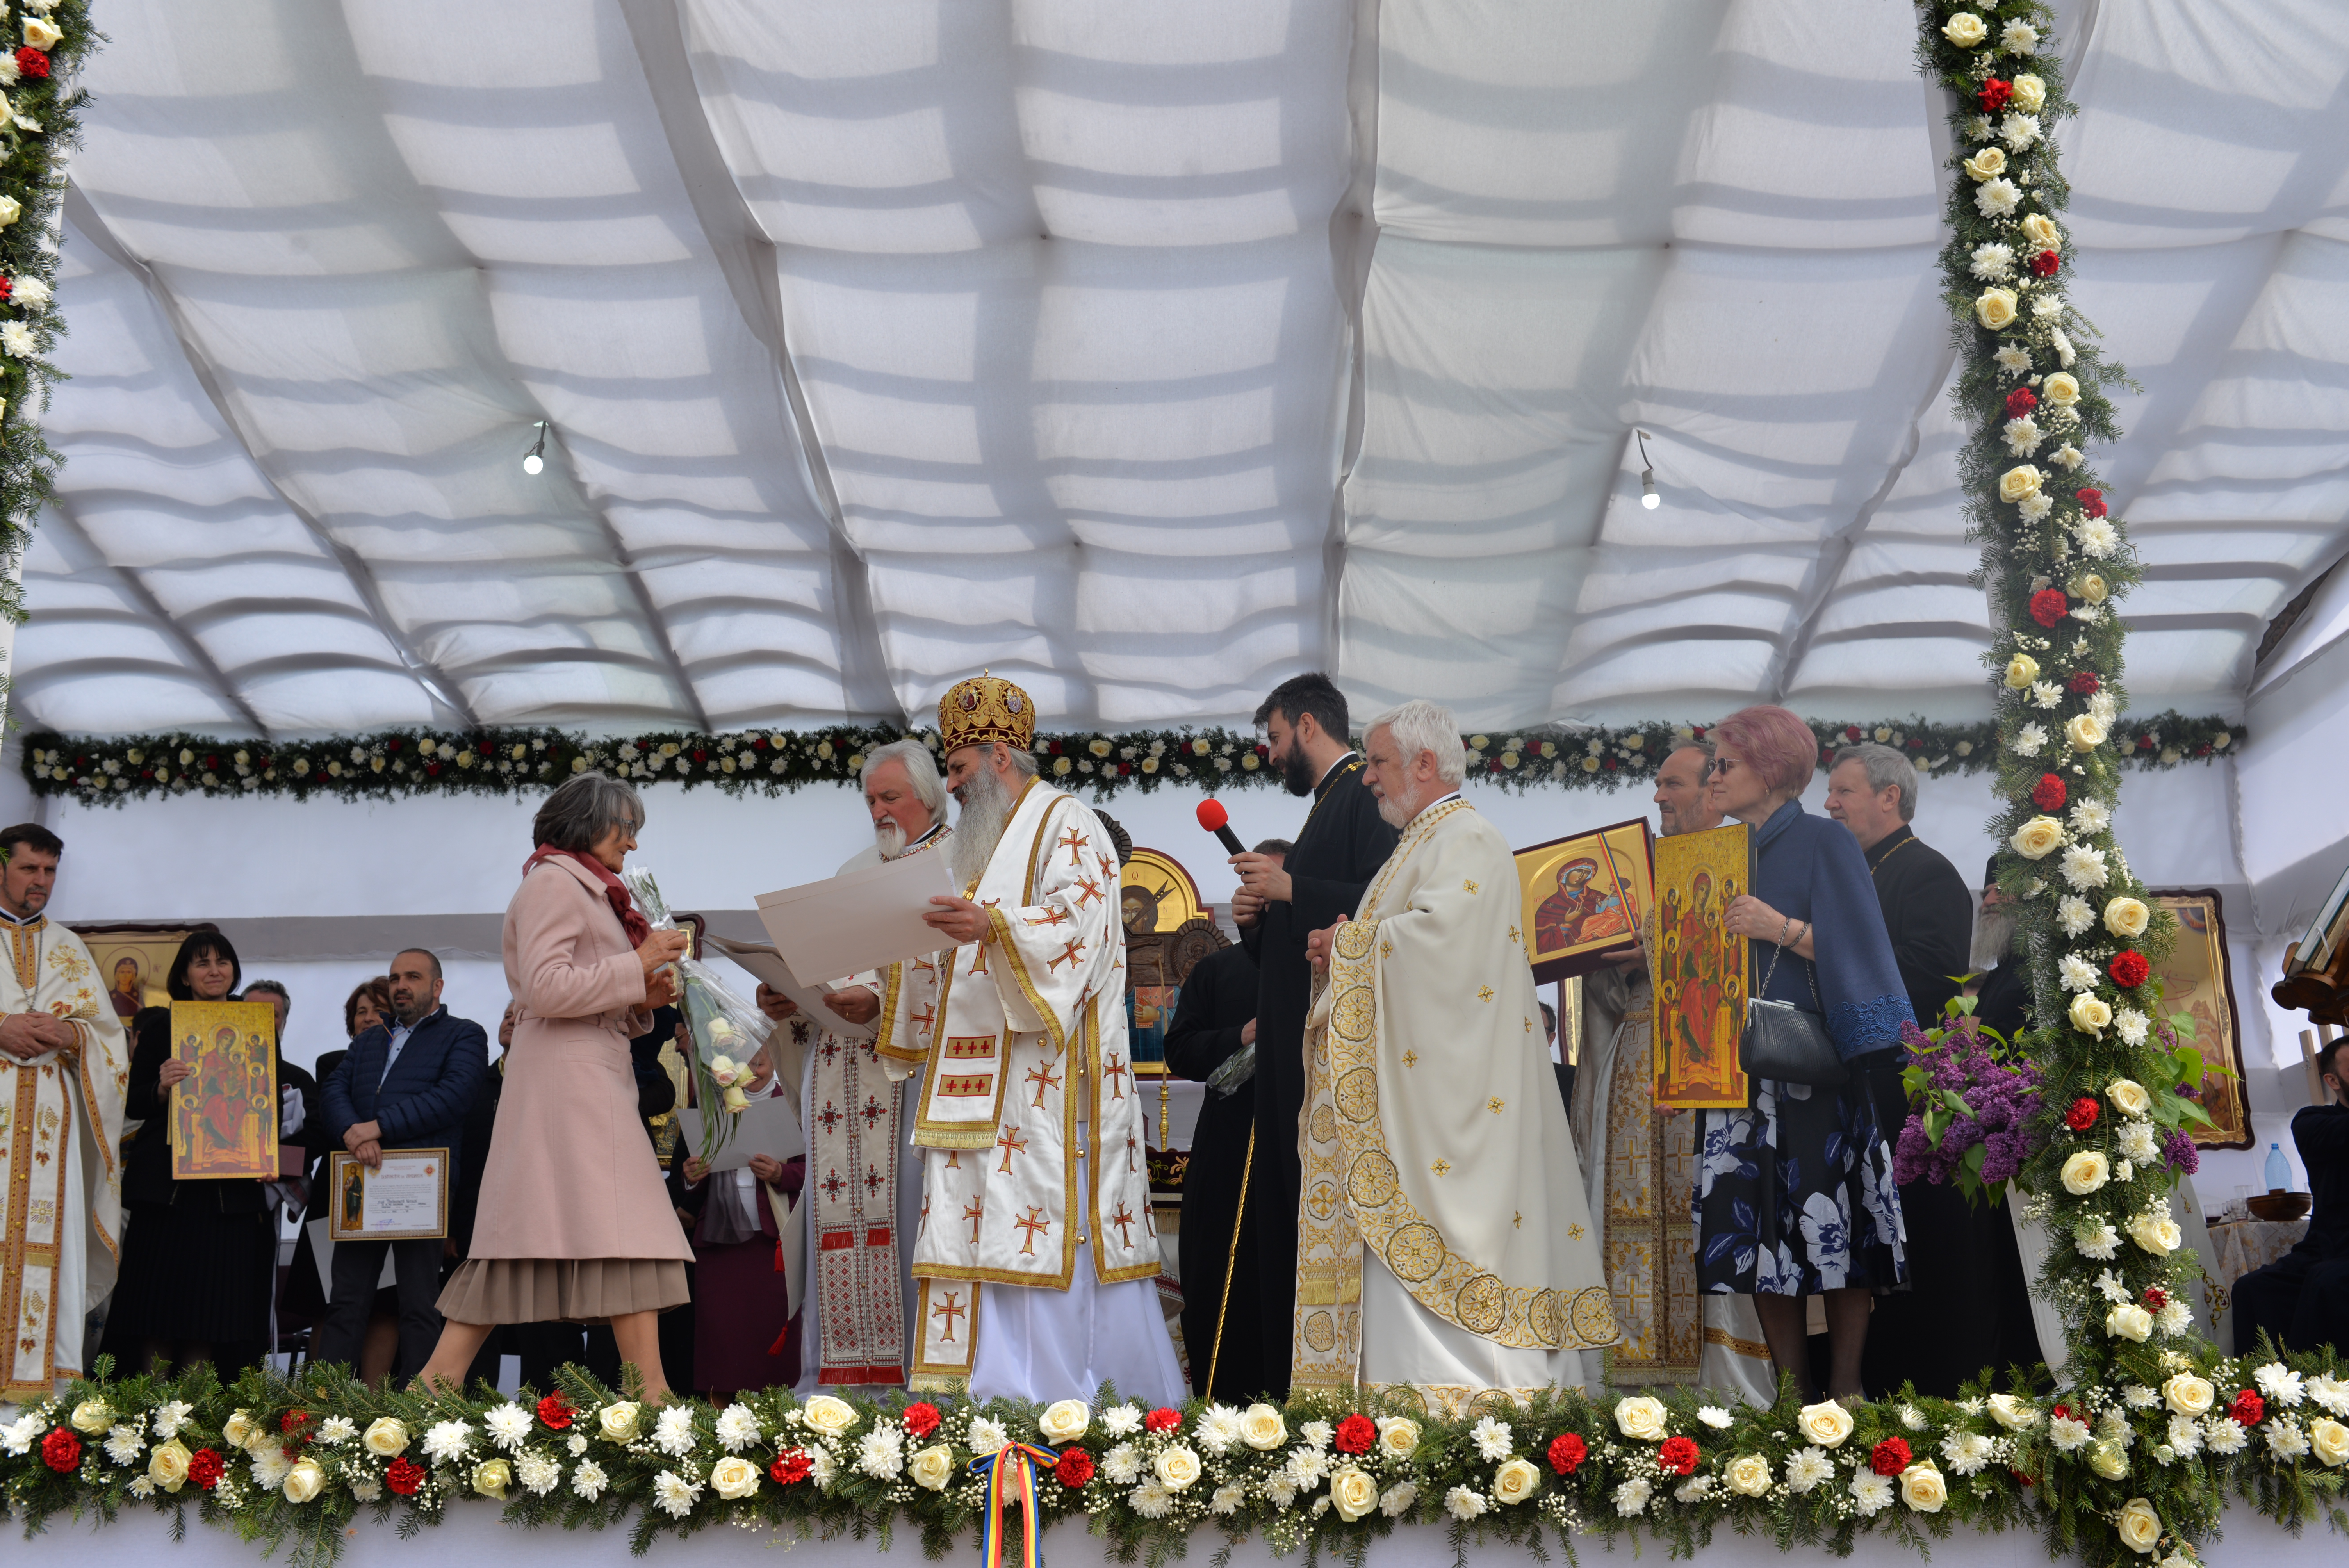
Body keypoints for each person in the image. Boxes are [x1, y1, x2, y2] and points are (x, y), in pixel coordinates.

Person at [1290, 699, 1616, 1412]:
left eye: (1376, 763)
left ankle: (1460, 1404)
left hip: (1452, 1107)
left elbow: (1442, 952)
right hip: (1426, 1094)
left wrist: (1348, 947)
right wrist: (1347, 943)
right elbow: (1404, 941)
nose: (1368, 779)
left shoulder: (1465, 837)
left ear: (1424, 763)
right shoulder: (1423, 841)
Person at [871, 672, 1183, 1403]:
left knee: (1036, 1227)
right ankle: (985, 1396)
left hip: (1046, 1094)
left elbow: (1083, 926)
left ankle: (1054, 1397)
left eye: (956, 770)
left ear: (999, 759)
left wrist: (996, 927)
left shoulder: (1067, 823)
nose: (949, 787)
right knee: (975, 1234)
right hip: (974, 1090)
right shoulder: (978, 845)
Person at [415, 773, 694, 1398]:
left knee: (596, 1232)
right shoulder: (552, 885)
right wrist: (639, 963)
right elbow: (543, 990)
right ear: (588, 824)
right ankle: (648, 1394)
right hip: (567, 1084)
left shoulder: (585, 888)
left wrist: (640, 997)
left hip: (588, 1075)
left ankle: (647, 1391)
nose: (633, 844)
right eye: (626, 829)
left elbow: (580, 991)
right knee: (604, 1229)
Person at [1690, 705, 1912, 1405]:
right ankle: (1791, 1395)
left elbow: (1864, 949)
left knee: (1834, 1232)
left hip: (1815, 1071)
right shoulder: (1711, 851)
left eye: (1725, 764)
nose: (1713, 776)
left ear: (1771, 766)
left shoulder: (1824, 841)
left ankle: (1846, 1390)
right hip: (1734, 1074)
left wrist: (1778, 927)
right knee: (1755, 1241)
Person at [1565, 741, 1773, 1398]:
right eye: (1656, 784)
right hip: (1631, 1063)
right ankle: (1623, 1386)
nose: (1658, 796)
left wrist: (1652, 947)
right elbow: (1604, 995)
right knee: (1622, 1210)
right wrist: (1613, 961)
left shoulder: (1747, 862)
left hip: (1712, 1067)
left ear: (1713, 790)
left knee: (1705, 1214)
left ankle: (1718, 1386)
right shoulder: (1634, 871)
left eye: (1672, 783)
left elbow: (1737, 969)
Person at [1225, 672, 1399, 1397]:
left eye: (1272, 737)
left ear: (1304, 724)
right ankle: (1284, 1379)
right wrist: (1258, 921)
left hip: (1336, 1056)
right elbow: (1302, 951)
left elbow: (1390, 896)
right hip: (1297, 1052)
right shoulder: (1328, 806)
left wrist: (1293, 889)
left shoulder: (1362, 796)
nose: (1269, 754)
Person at [1827, 743, 2009, 1397]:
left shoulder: (1923, 870)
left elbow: (1926, 976)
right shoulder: (1859, 871)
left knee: (1921, 1261)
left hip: (1906, 1101)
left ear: (1888, 797)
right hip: (1863, 1093)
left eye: (1843, 791)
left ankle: (1931, 1393)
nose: (1829, 803)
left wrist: (1824, 955)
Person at [772, 738, 949, 1390]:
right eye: (870, 798)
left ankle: (915, 1381)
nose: (877, 810)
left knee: (907, 1223)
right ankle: (840, 1382)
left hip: (911, 1079)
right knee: (839, 1228)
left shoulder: (960, 866)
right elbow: (829, 967)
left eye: (890, 797)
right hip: (840, 1079)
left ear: (928, 796)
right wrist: (790, 998)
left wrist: (879, 1003)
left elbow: (951, 977)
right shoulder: (852, 870)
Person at [109, 930, 278, 1374]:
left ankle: (194, 1423)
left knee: (211, 1316)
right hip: (169, 1195)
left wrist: (264, 1152)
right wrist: (162, 1087)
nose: (214, 970)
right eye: (202, 962)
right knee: (157, 1311)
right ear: (184, 973)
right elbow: (131, 1102)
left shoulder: (256, 1027)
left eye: (223, 962)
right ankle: (146, 1418)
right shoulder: (163, 1025)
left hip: (228, 1195)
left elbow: (265, 1102)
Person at [0, 823, 128, 1399]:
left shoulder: (69, 948)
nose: (42, 882)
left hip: (53, 1140)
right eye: (30, 869)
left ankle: (42, 1393)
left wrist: (72, 1035)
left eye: (50, 872)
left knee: (45, 1249)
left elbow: (110, 1041)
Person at [318, 949, 487, 1383]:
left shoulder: (464, 1035)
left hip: (420, 1185)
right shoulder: (371, 1039)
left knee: (419, 1305)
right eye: (395, 977)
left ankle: (418, 1414)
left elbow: (453, 1096)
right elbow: (333, 1088)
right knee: (346, 1303)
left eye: (412, 976)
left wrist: (377, 1128)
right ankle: (327, 1411)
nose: (400, 985)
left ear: (437, 987)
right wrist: (354, 1132)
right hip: (362, 1180)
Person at [1164, 837, 1285, 1400]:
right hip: (1229, 1151)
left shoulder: (1329, 966)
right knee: (1221, 1279)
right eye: (1253, 891)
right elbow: (1180, 1050)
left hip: (1298, 1150)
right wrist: (1242, 1036)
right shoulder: (1216, 972)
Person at [672, 1043, 804, 1398]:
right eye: (743, 1065)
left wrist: (781, 1173)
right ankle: (719, 1428)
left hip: (772, 1243)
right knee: (721, 1341)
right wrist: (692, 1176)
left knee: (772, 1336)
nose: (752, 1073)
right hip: (720, 1242)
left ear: (775, 1059)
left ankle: (779, 1421)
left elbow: (820, 1173)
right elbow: (694, 1181)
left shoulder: (793, 1101)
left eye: (759, 1063)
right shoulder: (714, 1106)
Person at [2232, 1035, 2348, 1355]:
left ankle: (2323, 1386)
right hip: (2327, 1245)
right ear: (2332, 1080)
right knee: (2252, 1288)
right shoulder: (2313, 1121)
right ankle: (2261, 1396)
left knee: (2327, 1282)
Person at [1968, 859, 2031, 1040]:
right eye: (1985, 895)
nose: (1987, 902)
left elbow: (2044, 1034)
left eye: (2002, 891)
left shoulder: (2042, 967)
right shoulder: (2000, 972)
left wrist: (1979, 1028)